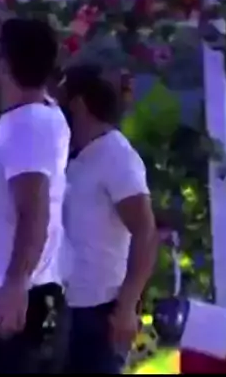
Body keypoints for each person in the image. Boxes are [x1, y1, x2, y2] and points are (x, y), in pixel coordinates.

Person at [0, 18, 69, 373]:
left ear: (4, 65)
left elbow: (34, 211)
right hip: (9, 299)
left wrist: (15, 283)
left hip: (20, 302)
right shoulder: (34, 114)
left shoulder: (27, 127)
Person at [55, 63, 158, 374]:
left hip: (101, 312)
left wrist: (127, 306)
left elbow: (145, 231)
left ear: (77, 104)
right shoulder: (80, 156)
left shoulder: (116, 156)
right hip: (72, 309)